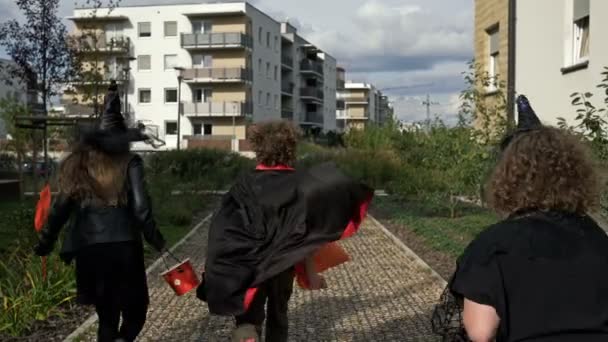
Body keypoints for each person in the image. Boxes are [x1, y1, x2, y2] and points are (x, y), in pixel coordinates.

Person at [432, 95, 608, 342]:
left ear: (508, 179)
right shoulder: (598, 238)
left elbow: (480, 332)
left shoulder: (494, 245)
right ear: (575, 176)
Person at [197, 121, 373, 342]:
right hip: (282, 265)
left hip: (247, 266)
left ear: (259, 147)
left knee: (247, 321)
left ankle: (248, 334)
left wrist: (215, 268)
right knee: (279, 316)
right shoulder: (300, 185)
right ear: (291, 148)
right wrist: (310, 275)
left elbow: (223, 229)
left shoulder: (244, 184)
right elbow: (305, 236)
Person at [34, 82, 166, 342]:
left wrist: (45, 242)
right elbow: (141, 209)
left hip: (90, 249)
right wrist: (157, 240)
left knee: (106, 317)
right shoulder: (131, 162)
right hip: (125, 247)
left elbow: (60, 207)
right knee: (136, 312)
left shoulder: (78, 164)